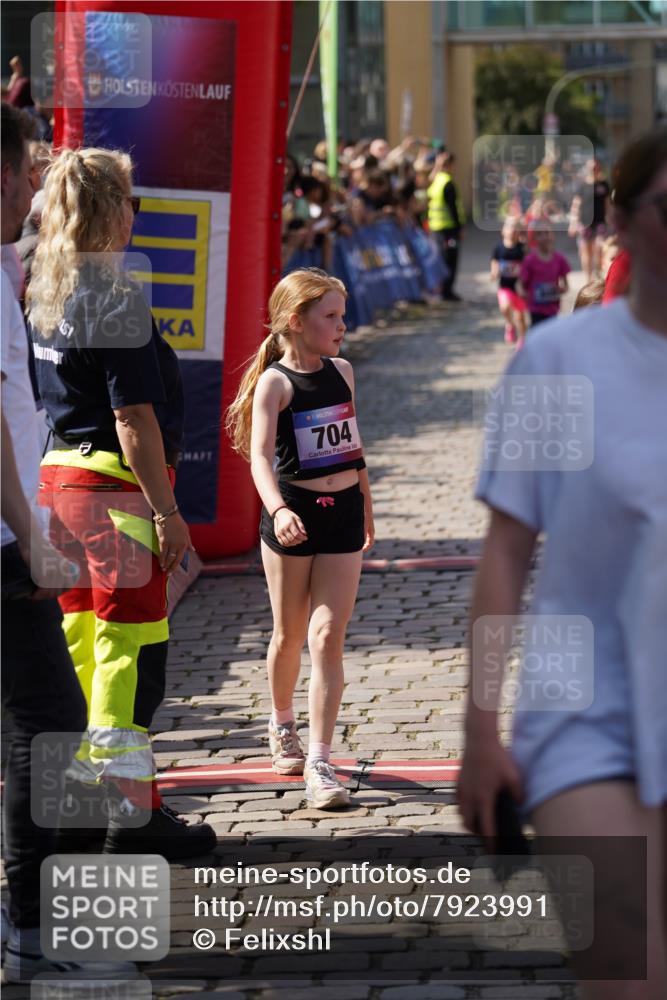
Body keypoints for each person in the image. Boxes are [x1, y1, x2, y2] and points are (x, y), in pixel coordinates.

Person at [458, 125, 667, 998]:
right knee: (631, 978)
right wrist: (480, 729)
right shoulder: (558, 362)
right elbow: (507, 554)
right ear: (618, 220)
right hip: (588, 720)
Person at [26, 146, 216, 859]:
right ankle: (128, 820)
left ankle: (90, 811)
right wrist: (167, 513)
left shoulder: (42, 288)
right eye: (131, 199)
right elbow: (134, 420)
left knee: (83, 657)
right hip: (115, 497)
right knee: (131, 662)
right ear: (113, 211)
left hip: (59, 493)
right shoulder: (114, 296)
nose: (137, 212)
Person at [1, 103, 137, 985]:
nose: (28, 191)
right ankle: (31, 920)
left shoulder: (14, 270)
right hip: (10, 537)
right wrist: (29, 530)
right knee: (49, 725)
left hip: (22, 522)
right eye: (20, 175)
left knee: (43, 722)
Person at [226, 269, 374, 810]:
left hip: (342, 516)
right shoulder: (276, 383)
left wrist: (367, 506)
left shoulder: (343, 371)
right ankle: (282, 720)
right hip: (294, 515)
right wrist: (279, 508)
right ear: (297, 322)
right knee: (289, 634)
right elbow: (260, 458)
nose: (342, 325)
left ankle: (320, 759)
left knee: (328, 635)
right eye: (331, 316)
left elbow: (352, 446)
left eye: (342, 314)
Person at [427, 151, 466, 301]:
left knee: (441, 259)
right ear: (450, 165)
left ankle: (442, 289)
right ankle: (447, 291)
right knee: (450, 260)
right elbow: (453, 208)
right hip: (448, 229)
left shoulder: (436, 179)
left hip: (435, 227)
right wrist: (460, 228)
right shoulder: (448, 182)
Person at [517, 223, 570, 327]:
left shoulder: (560, 259)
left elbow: (566, 285)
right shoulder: (530, 260)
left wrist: (562, 289)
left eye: (546, 233)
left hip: (553, 308)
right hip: (535, 308)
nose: (544, 236)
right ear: (534, 239)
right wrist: (522, 292)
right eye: (539, 234)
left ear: (552, 236)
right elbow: (520, 283)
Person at [568, 158, 611, 281]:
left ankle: (597, 276)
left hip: (600, 223)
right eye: (591, 167)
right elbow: (576, 205)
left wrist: (611, 221)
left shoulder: (604, 185)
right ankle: (588, 279)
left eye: (596, 167)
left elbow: (607, 205)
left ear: (599, 168)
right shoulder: (582, 185)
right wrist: (573, 223)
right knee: (586, 253)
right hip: (584, 223)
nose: (594, 169)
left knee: (599, 249)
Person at [490, 217, 528, 346]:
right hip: (505, 286)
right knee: (505, 307)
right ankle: (510, 324)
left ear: (519, 232)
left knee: (520, 317)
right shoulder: (498, 248)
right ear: (503, 231)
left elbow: (527, 265)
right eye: (509, 227)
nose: (512, 230)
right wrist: (494, 273)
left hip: (519, 288)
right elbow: (494, 263)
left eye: (516, 227)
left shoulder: (522, 249)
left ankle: (522, 341)